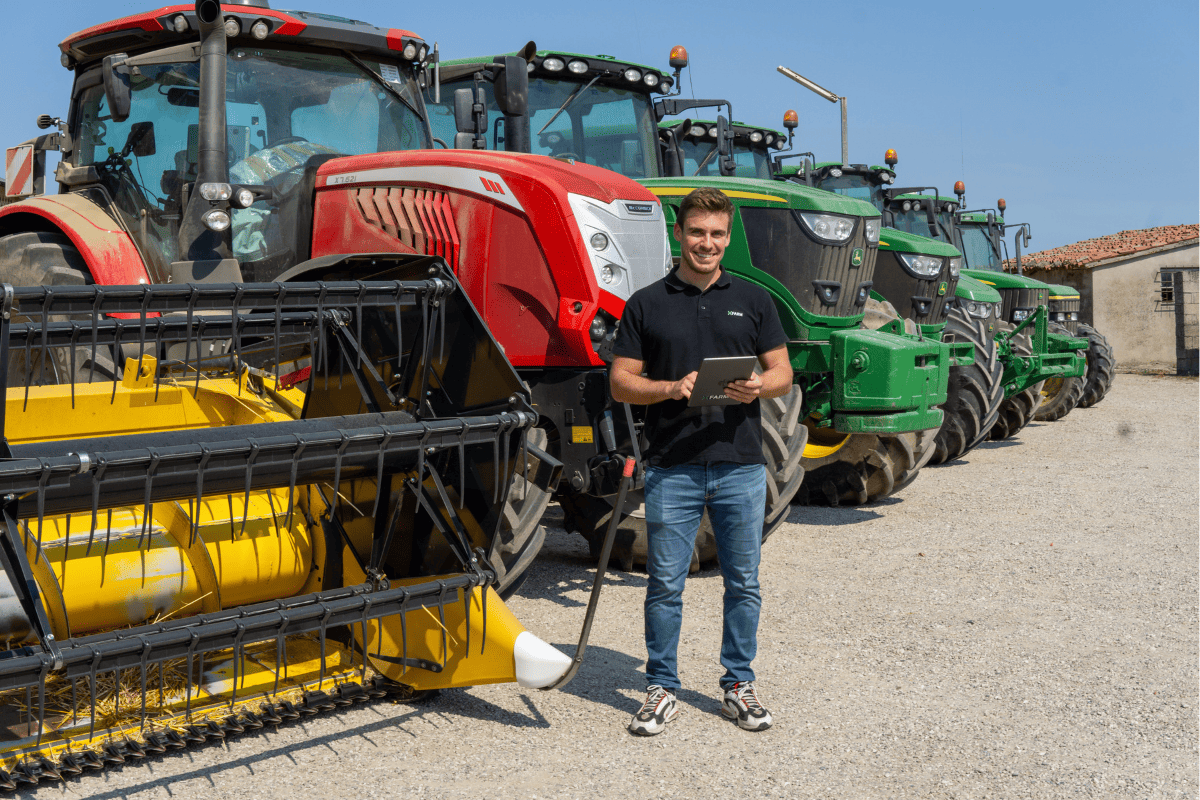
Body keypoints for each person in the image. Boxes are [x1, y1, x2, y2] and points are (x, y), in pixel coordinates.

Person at [609, 187, 793, 735]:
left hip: (740, 464)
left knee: (744, 582)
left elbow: (783, 372)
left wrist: (759, 387)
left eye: (715, 234)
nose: (705, 244)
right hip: (672, 467)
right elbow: (620, 381)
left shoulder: (756, 300)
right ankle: (660, 687)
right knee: (665, 585)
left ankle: (738, 684)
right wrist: (670, 388)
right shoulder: (646, 302)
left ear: (727, 238)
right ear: (679, 234)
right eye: (696, 233)